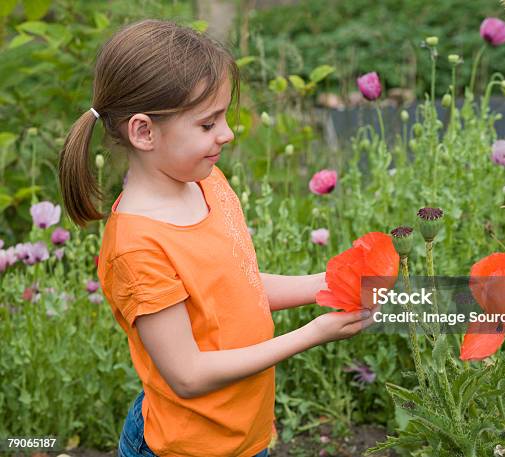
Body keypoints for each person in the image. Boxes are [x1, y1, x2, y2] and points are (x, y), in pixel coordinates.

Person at [58, 19, 377, 457]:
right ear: (144, 132)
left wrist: (328, 284)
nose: (226, 133)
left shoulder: (207, 183)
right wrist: (313, 333)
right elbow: (188, 375)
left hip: (243, 436)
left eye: (224, 117)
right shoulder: (137, 247)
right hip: (186, 447)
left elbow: (234, 288)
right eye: (208, 124)